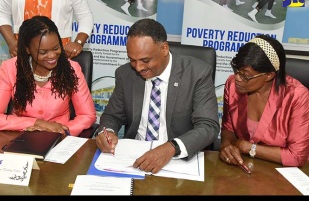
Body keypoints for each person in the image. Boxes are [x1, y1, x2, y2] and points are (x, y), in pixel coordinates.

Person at [95, 18, 220, 174]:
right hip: (134, 159)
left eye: (145, 60)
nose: (139, 67)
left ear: (164, 48)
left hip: (177, 160)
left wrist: (171, 148)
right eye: (132, 60)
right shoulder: (125, 74)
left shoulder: (197, 73)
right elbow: (112, 115)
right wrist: (106, 132)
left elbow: (208, 126)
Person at [0, 15, 96, 137]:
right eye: (43, 52)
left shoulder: (71, 68)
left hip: (60, 139)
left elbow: (87, 115)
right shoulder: (10, 68)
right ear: (27, 49)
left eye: (56, 48)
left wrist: (64, 131)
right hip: (19, 138)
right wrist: (37, 123)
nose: (52, 56)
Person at [220, 35, 309, 168]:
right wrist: (226, 145)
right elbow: (228, 128)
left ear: (269, 75)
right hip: (242, 166)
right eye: (236, 70)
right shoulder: (232, 85)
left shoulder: (297, 96)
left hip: (282, 173)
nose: (237, 78)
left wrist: (247, 147)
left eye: (246, 75)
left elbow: (296, 156)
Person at [0, 0, 93, 59]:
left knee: (57, 86)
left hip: (57, 54)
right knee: (23, 86)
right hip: (23, 51)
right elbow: (1, 13)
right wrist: (11, 42)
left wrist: (78, 42)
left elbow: (85, 17)